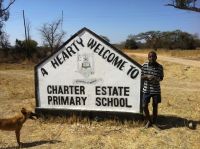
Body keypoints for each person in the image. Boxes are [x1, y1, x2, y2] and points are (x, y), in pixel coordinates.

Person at [141, 51, 164, 128]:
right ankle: (149, 121)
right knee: (144, 106)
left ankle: (154, 122)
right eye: (150, 57)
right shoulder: (144, 65)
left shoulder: (160, 67)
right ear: (148, 57)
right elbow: (140, 76)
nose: (152, 58)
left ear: (156, 57)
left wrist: (155, 78)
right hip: (146, 90)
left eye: (153, 56)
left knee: (155, 106)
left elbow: (161, 78)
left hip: (156, 90)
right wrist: (146, 76)